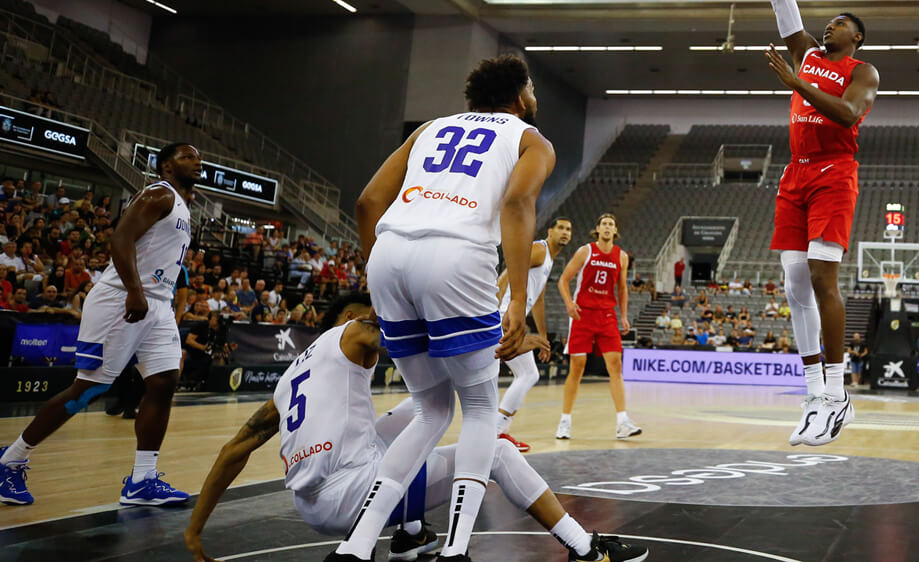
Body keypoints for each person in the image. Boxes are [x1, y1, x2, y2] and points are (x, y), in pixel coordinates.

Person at [184, 295, 646, 562]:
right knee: (496, 451)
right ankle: (585, 548)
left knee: (417, 409)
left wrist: (194, 533)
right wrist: (503, 340)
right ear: (353, 319)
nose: (378, 318)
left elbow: (232, 450)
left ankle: (410, 534)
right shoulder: (356, 332)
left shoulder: (290, 379)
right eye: (370, 312)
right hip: (351, 496)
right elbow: (426, 342)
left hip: (310, 504)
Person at [330, 54, 555, 562]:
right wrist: (518, 299)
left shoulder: (429, 128)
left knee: (430, 409)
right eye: (534, 89)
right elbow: (518, 205)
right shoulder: (529, 138)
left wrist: (380, 275)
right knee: (477, 407)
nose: (535, 98)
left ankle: (357, 546)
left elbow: (367, 202)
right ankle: (455, 550)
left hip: (390, 251)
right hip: (456, 255)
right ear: (520, 96)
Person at [1, 143, 202, 507]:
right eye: (188, 157)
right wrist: (134, 291)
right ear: (167, 166)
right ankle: (10, 460)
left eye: (199, 158)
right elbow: (120, 238)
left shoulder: (184, 207)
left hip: (156, 302)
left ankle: (142, 480)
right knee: (89, 390)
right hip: (122, 298)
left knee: (164, 381)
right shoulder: (159, 193)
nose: (197, 162)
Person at [747, 0, 879, 447]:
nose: (831, 24)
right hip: (795, 175)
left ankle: (838, 390)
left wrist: (798, 86)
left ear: (857, 38)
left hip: (834, 174)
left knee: (824, 278)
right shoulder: (804, 51)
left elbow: (848, 114)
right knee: (794, 283)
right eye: (829, 20)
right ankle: (812, 395)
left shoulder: (861, 71)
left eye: (842, 22)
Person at [555, 213, 640, 440]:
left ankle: (623, 421)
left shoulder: (621, 256)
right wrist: (569, 303)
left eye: (611, 224)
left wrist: (623, 316)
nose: (607, 227)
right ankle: (565, 421)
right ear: (598, 228)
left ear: (615, 230)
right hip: (582, 314)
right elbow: (563, 279)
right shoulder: (586, 251)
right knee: (578, 366)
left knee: (615, 364)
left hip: (606, 315)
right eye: (603, 223)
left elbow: (622, 289)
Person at [494, 216, 572, 452]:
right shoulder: (540, 249)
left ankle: (497, 430)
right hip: (501, 317)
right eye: (560, 228)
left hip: (507, 319)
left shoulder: (548, 260)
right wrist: (497, 307)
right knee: (526, 374)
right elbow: (509, 272)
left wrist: (543, 336)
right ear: (550, 231)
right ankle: (497, 431)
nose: (565, 232)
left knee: (526, 374)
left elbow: (537, 300)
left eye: (568, 229)